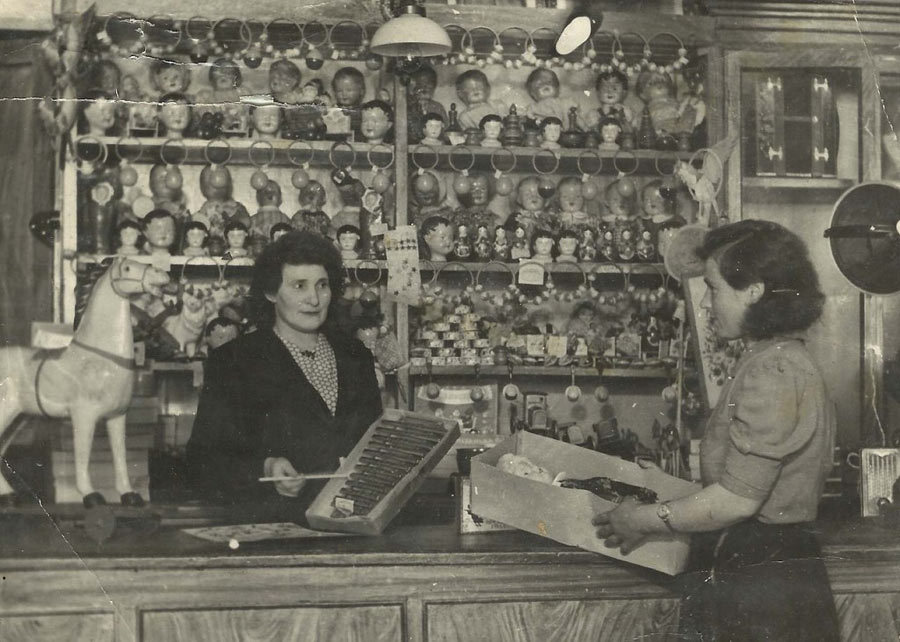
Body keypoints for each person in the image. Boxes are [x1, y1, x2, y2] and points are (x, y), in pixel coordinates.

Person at [593, 219, 839, 642]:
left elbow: (736, 501)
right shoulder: (773, 357)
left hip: (764, 583)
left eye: (714, 287)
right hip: (765, 571)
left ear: (754, 291)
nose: (706, 303)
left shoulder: (775, 370)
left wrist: (642, 520)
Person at [187, 231, 383, 503]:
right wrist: (265, 467)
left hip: (353, 522)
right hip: (273, 524)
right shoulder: (234, 361)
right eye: (299, 286)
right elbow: (202, 462)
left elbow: (375, 448)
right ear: (270, 291)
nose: (314, 299)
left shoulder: (356, 356)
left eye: (322, 285)